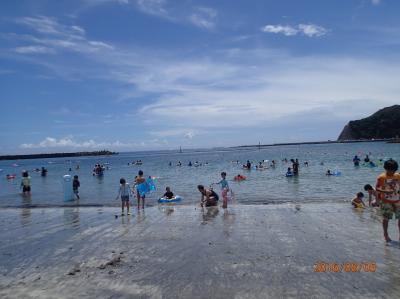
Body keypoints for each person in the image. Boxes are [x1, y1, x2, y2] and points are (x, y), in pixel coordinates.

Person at [376, 159, 400, 242]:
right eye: (390, 170)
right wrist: (386, 191)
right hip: (386, 201)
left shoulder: (397, 176)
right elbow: (377, 188)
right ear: (385, 168)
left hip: (398, 201)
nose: (392, 172)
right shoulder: (381, 177)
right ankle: (385, 235)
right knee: (386, 219)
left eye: (394, 170)